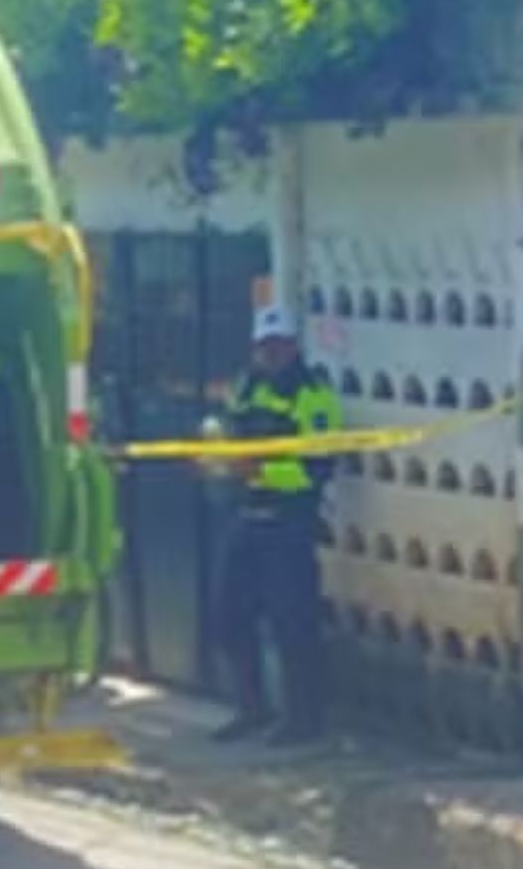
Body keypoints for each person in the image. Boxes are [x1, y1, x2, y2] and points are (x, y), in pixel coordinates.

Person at [206, 304, 343, 748]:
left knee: (293, 624)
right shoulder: (247, 385)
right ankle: (252, 708)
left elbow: (319, 468)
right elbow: (230, 430)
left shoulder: (313, 395)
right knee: (229, 618)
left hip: (289, 524)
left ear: (293, 346)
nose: (271, 354)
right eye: (264, 346)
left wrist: (258, 472)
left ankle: (306, 720)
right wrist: (218, 454)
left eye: (279, 345)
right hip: (246, 518)